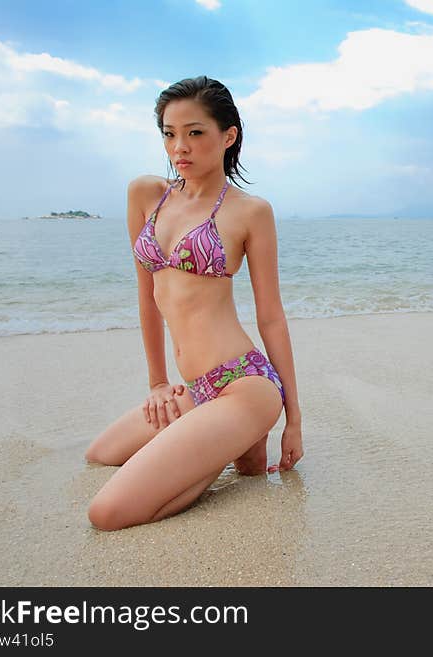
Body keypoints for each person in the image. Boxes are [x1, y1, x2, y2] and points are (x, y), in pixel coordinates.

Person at [84, 76, 303, 531]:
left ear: (228, 136)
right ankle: (230, 446)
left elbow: (272, 318)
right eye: (169, 133)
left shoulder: (250, 211)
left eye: (195, 132)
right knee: (101, 454)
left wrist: (294, 420)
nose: (179, 146)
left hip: (245, 385)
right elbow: (147, 296)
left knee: (106, 514)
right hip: (193, 388)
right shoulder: (146, 194)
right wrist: (158, 383)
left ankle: (237, 439)